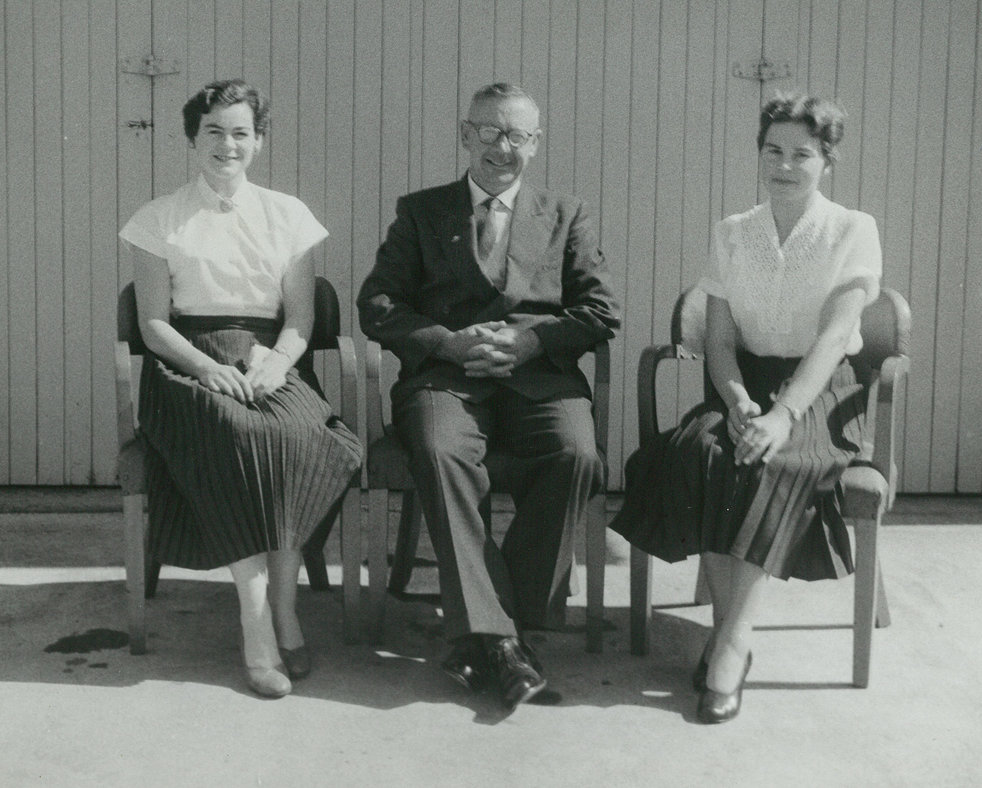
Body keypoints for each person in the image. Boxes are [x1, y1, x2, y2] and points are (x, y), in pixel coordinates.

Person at [610, 92, 882, 724]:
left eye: (803, 154)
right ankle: (727, 630)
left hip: (821, 388)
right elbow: (721, 336)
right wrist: (734, 396)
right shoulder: (734, 231)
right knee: (702, 452)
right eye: (773, 150)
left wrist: (783, 414)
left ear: (827, 161)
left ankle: (731, 641)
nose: (785, 165)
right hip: (742, 380)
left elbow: (836, 337)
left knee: (777, 462)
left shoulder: (852, 228)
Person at [357, 83, 619, 708]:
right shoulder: (422, 211)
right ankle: (505, 642)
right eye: (491, 133)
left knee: (575, 456)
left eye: (518, 136)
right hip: (446, 378)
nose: (504, 148)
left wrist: (532, 344)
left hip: (538, 376)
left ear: (536, 142)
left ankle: (491, 634)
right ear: (465, 134)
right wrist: (445, 343)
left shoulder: (565, 213)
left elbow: (602, 310)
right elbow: (378, 303)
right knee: (442, 453)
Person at [118, 79, 362, 698]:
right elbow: (151, 323)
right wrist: (204, 367)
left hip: (267, 358)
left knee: (302, 436)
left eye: (241, 132)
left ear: (259, 140)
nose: (228, 145)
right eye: (214, 132)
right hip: (183, 366)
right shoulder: (156, 220)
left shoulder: (289, 216)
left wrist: (279, 361)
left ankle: (284, 609)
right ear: (191, 139)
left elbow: (300, 318)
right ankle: (258, 625)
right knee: (239, 432)